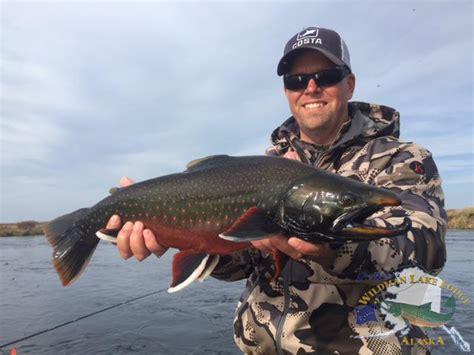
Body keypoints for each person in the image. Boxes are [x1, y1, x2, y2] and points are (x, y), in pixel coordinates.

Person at [106, 27, 447, 354]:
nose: (311, 87)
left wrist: (332, 249)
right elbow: (241, 261)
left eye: (326, 76)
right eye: (297, 80)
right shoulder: (266, 167)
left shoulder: (403, 159)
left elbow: (426, 253)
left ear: (350, 84)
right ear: (287, 91)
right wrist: (177, 234)